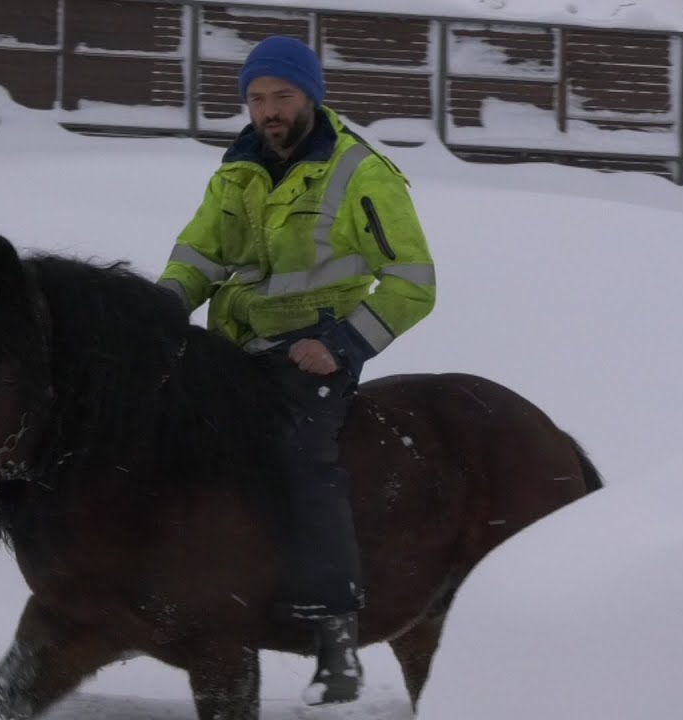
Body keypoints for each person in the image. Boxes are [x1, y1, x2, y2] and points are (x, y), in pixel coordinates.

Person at [156, 36, 436, 706]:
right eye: (256, 98)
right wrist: (162, 304)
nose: (268, 110)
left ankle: (335, 634)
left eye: (281, 95)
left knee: (303, 459)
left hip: (316, 351)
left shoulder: (359, 172)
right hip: (235, 348)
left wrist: (343, 345)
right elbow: (200, 254)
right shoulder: (237, 171)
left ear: (310, 95)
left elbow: (413, 281)